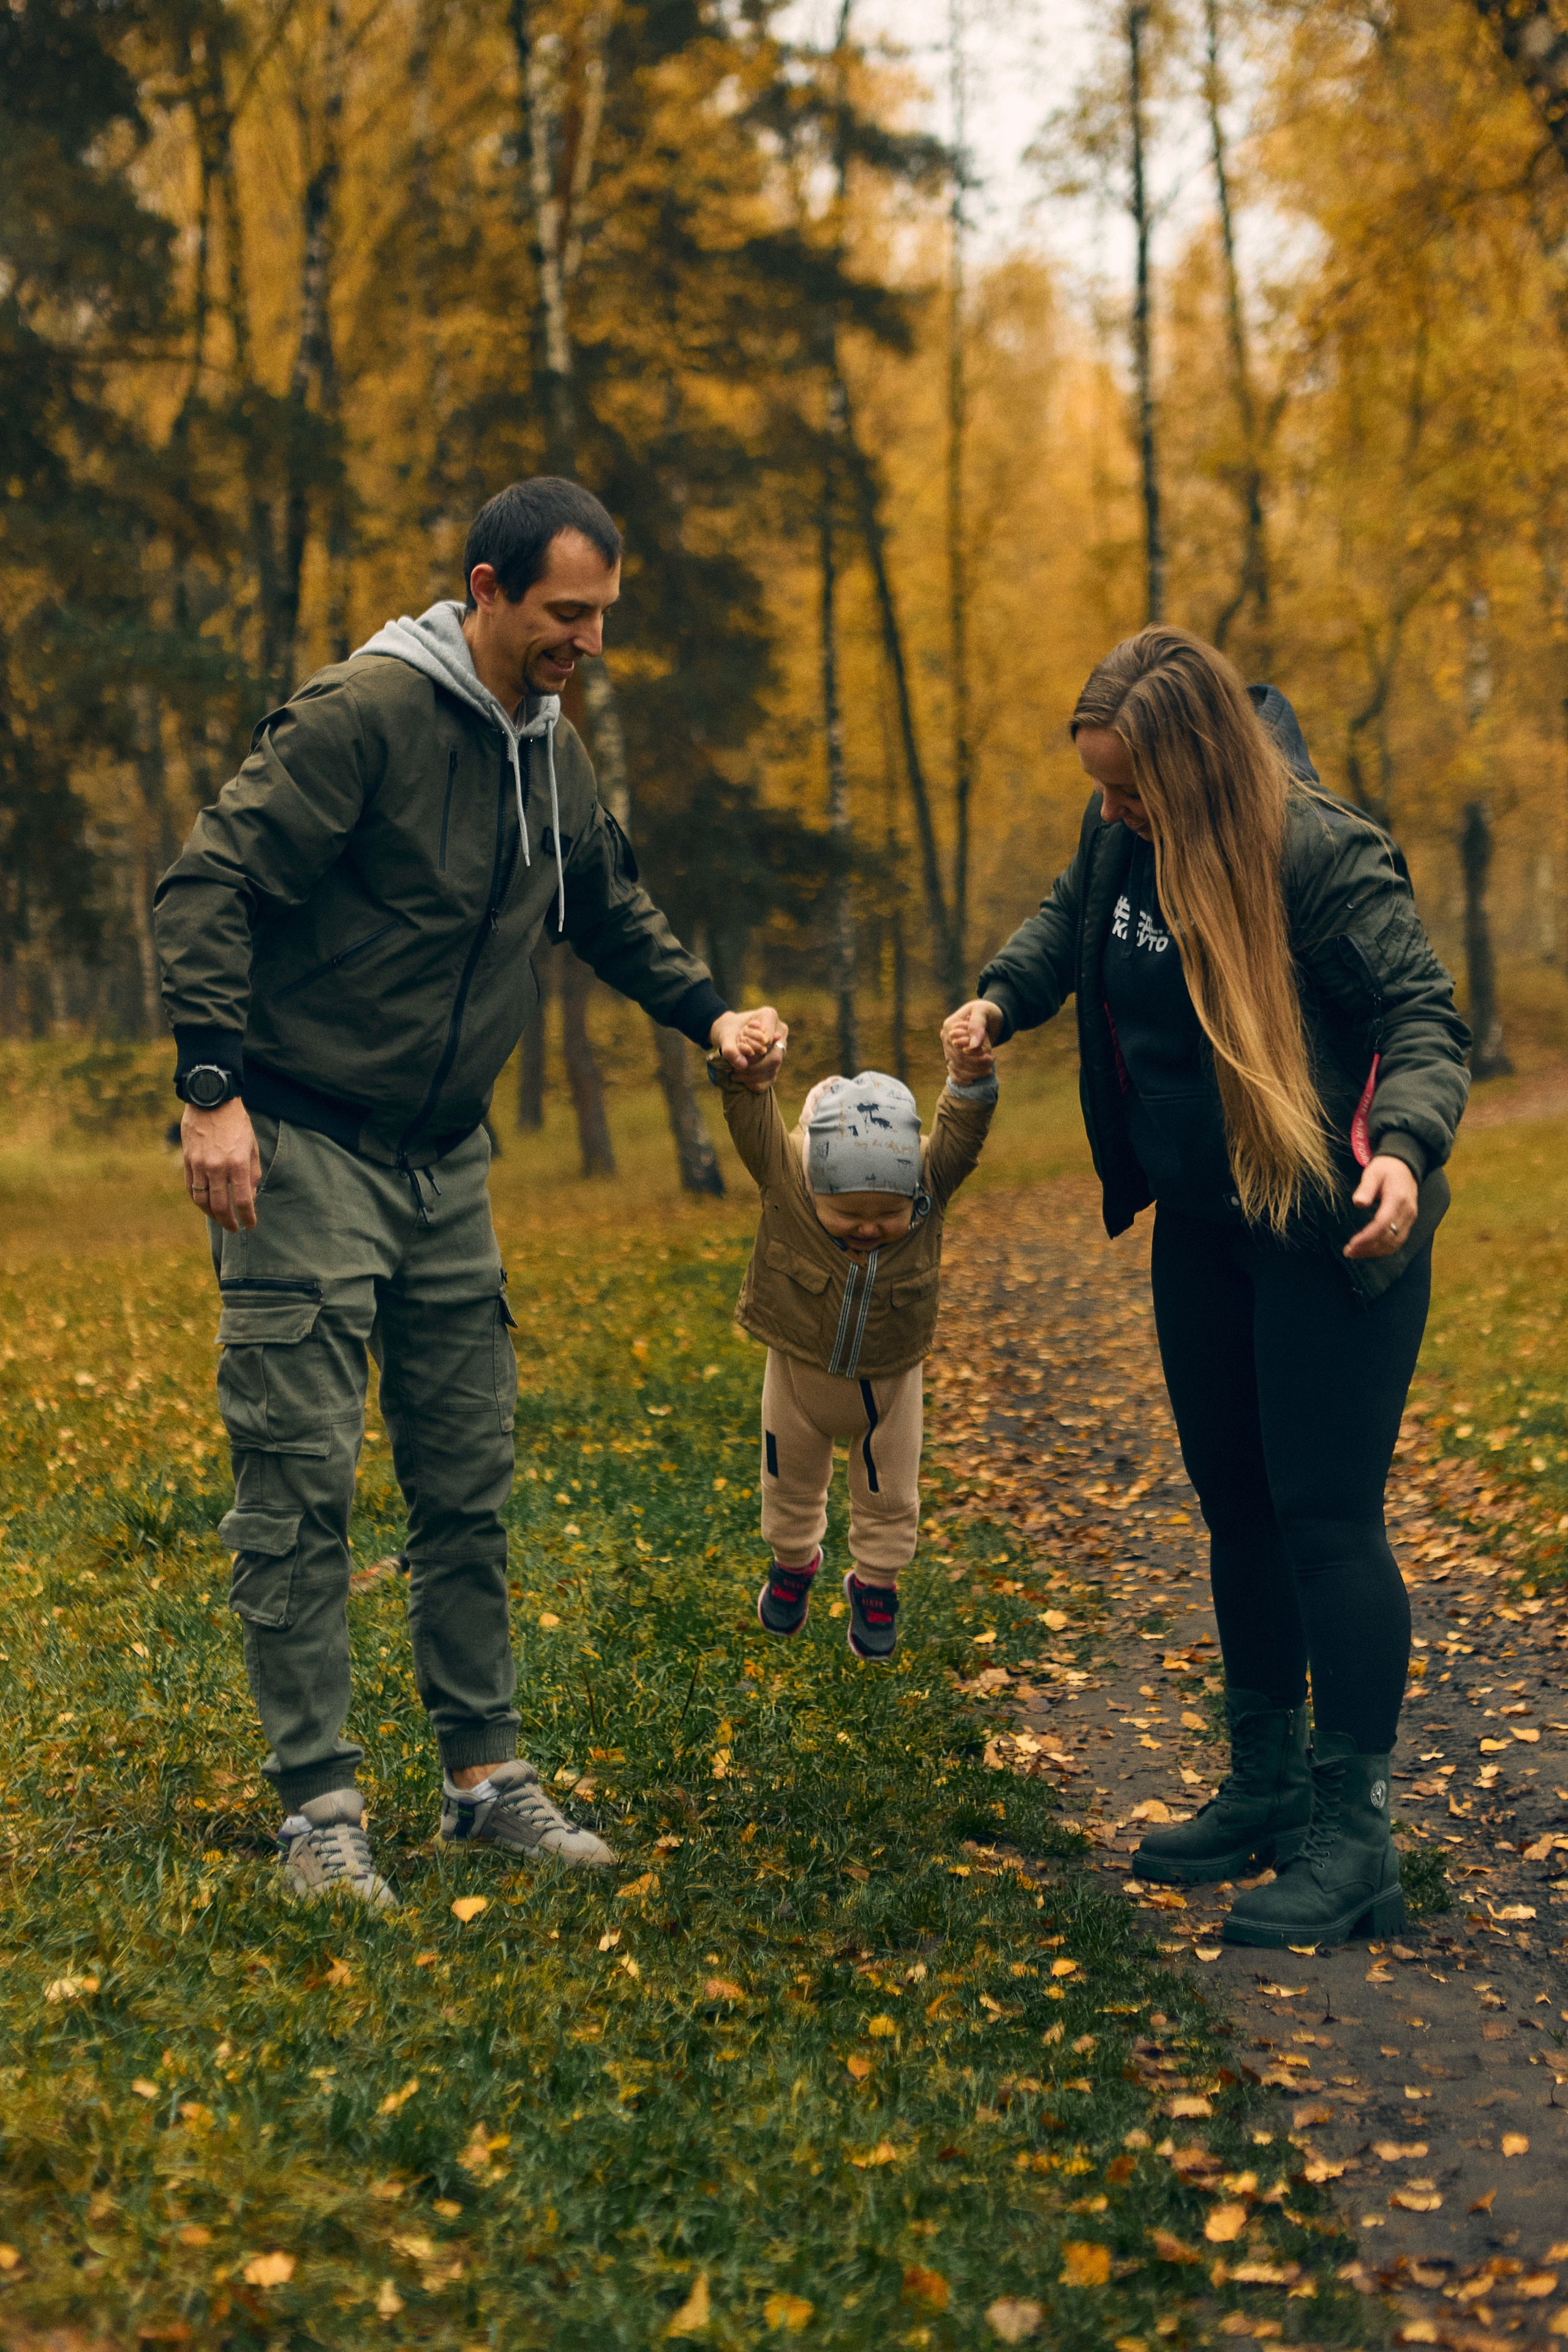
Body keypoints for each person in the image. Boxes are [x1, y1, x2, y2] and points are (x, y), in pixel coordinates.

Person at [154, 477, 786, 1907]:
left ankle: (482, 1781)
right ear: (488, 590)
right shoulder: (365, 715)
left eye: (602, 616)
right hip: (303, 1142)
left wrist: (705, 1015)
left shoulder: (545, 744)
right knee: (302, 1481)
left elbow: (604, 905)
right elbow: (206, 884)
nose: (589, 641)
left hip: (445, 1161)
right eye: (567, 614)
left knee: (464, 1479)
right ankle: (318, 1809)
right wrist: (210, 1090)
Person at [943, 627, 1468, 1948]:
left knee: (1323, 1519)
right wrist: (1003, 998)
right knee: (1236, 1510)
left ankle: (1354, 1844)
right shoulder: (1122, 834)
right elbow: (1069, 919)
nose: (1111, 814)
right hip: (1205, 1218)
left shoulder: (1317, 852)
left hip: (1331, 1223)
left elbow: (1420, 1020)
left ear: (1190, 772)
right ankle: (1267, 1790)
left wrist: (1401, 1156)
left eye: (1128, 792)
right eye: (1103, 793)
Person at [708, 1014, 996, 1662]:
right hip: (798, 1374)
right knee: (788, 1480)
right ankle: (792, 1566)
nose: (867, 1229)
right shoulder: (788, 1180)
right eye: (848, 1215)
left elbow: (960, 1135)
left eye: (887, 1215)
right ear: (812, 1188)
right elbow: (750, 1119)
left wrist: (970, 1079)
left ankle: (876, 1587)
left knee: (891, 1493)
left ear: (913, 1193)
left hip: (890, 1384)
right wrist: (743, 1072)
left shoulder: (928, 1184)